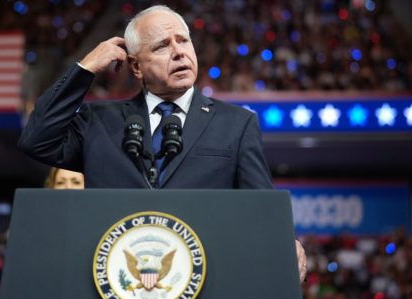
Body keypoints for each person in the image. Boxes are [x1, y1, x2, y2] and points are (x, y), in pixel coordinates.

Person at [19, 5, 306, 281]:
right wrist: (86, 68)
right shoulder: (99, 121)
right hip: (115, 281)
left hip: (206, 284)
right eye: (162, 46)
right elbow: (36, 140)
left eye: (183, 40)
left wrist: (283, 239)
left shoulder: (236, 124)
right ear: (136, 66)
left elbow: (259, 204)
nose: (179, 51)